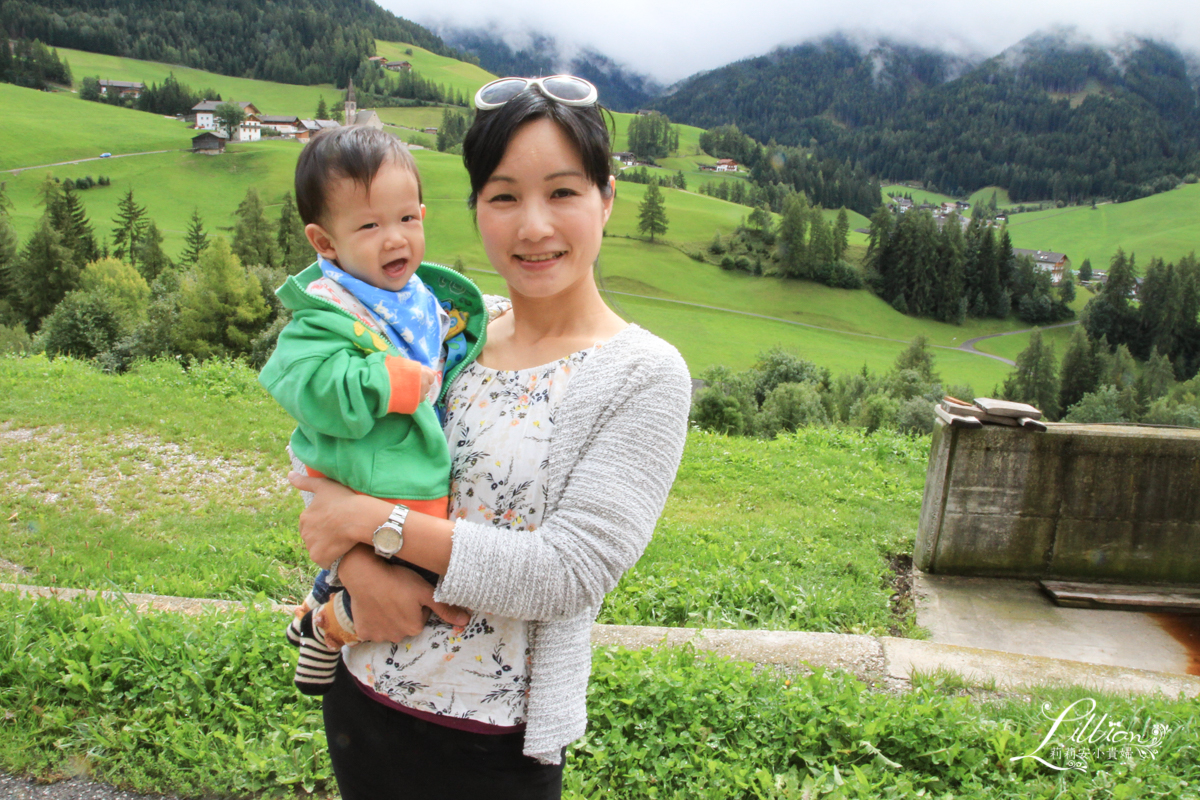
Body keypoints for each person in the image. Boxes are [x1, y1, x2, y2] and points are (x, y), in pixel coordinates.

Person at [289, 75, 692, 799]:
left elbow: (567, 573)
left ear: (606, 198)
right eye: (504, 196)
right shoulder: (452, 329)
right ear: (475, 208)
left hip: (494, 742)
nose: (533, 225)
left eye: (563, 192)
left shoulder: (643, 375)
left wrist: (374, 525)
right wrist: (357, 567)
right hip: (365, 696)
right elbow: (337, 458)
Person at [259, 125, 487, 695]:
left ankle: (318, 598)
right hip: (369, 479)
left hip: (399, 479)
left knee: (387, 569)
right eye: (370, 225)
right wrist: (380, 382)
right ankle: (328, 626)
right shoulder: (326, 312)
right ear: (324, 242)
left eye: (408, 219)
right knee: (408, 596)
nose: (395, 240)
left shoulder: (420, 297)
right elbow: (303, 383)